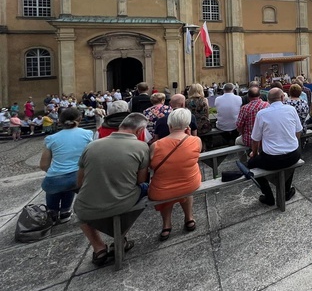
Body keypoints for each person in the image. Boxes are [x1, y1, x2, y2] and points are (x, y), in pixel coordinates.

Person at [73, 113, 150, 266]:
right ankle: (119, 239)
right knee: (148, 188)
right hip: (121, 202)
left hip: (85, 207)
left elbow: (80, 181)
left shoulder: (91, 146)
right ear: (140, 130)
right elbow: (141, 180)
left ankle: (98, 247)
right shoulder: (141, 147)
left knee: (80, 211)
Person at [148, 108, 202, 241]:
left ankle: (166, 225)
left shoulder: (156, 145)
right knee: (184, 179)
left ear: (169, 125)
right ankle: (189, 218)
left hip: (162, 190)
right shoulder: (196, 141)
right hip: (190, 184)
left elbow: (151, 166)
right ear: (187, 125)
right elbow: (194, 157)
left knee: (168, 182)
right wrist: (189, 135)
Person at [248, 88, 302, 206]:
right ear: (283, 98)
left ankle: (268, 196)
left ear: (268, 100)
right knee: (292, 155)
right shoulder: (291, 109)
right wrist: (292, 142)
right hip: (293, 155)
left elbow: (255, 139)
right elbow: (298, 131)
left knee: (250, 165)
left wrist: (254, 153)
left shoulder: (262, 114)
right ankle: (286, 190)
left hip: (272, 159)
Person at [40, 108, 93, 223]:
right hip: (78, 176)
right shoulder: (87, 134)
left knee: (57, 184)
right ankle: (65, 211)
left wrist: (56, 172)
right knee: (71, 183)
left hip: (55, 179)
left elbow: (44, 165)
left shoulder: (51, 139)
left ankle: (52, 213)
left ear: (60, 121)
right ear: (79, 119)